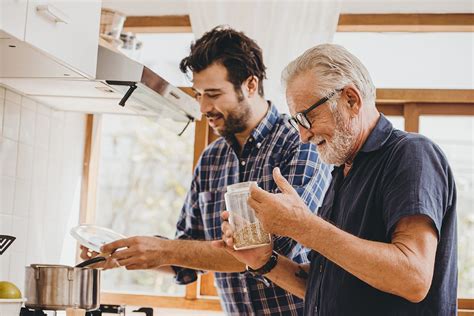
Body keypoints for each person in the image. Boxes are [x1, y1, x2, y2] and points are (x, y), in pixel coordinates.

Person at [81, 26, 332, 315]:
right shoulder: (212, 159)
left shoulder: (299, 144)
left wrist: (163, 249)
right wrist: (128, 254)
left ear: (250, 85)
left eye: (213, 94)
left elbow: (269, 251)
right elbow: (188, 252)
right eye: (198, 94)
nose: (203, 108)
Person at [217, 43, 457, 315]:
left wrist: (303, 226)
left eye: (306, 118)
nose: (303, 136)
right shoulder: (342, 172)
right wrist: (264, 260)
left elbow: (413, 278)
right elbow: (325, 287)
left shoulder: (411, 154)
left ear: (351, 100)